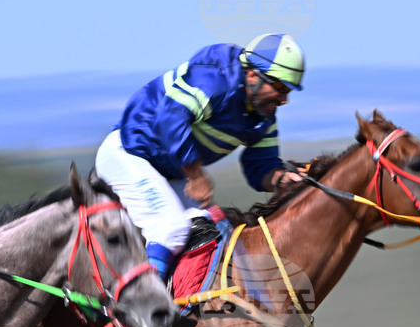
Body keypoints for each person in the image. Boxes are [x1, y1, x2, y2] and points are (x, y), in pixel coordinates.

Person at [95, 33, 307, 281]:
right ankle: (142, 314)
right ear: (252, 74)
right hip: (129, 154)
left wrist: (281, 179)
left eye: (289, 90)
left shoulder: (263, 117)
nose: (285, 99)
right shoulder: (217, 78)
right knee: (170, 230)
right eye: (280, 87)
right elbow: (171, 118)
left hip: (168, 174)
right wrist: (196, 175)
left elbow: (261, 166)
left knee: (209, 232)